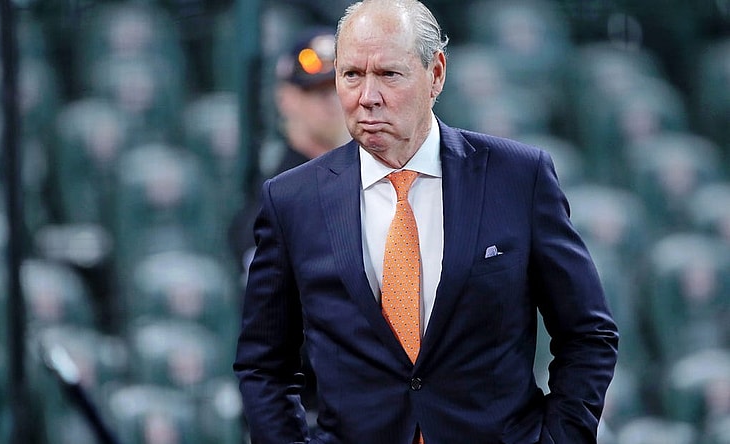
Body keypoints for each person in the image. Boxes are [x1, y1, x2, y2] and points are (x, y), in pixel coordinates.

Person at [234, 1, 619, 443]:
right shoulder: (291, 198)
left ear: (435, 73)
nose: (368, 96)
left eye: (389, 74)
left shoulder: (518, 176)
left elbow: (588, 333)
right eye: (352, 74)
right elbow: (264, 363)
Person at [229, 27, 350, 276]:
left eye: (341, 86)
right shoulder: (274, 200)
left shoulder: (378, 175)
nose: (332, 101)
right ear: (286, 98)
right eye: (316, 91)